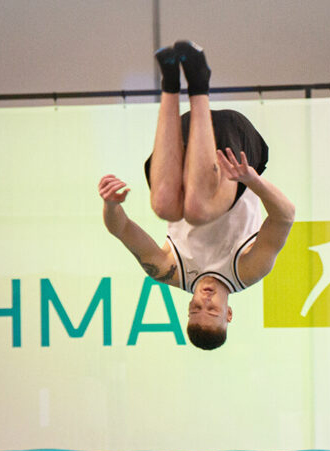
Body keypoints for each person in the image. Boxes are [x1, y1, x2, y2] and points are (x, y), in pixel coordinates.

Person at [98, 41, 295, 350]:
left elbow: (121, 229)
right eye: (213, 309)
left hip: (189, 139)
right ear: (228, 313)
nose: (204, 300)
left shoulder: (168, 271)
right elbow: (285, 216)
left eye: (195, 308)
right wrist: (251, 179)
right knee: (197, 210)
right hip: (236, 152)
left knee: (164, 205)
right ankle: (199, 81)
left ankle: (170, 84)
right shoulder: (247, 270)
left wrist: (111, 205)